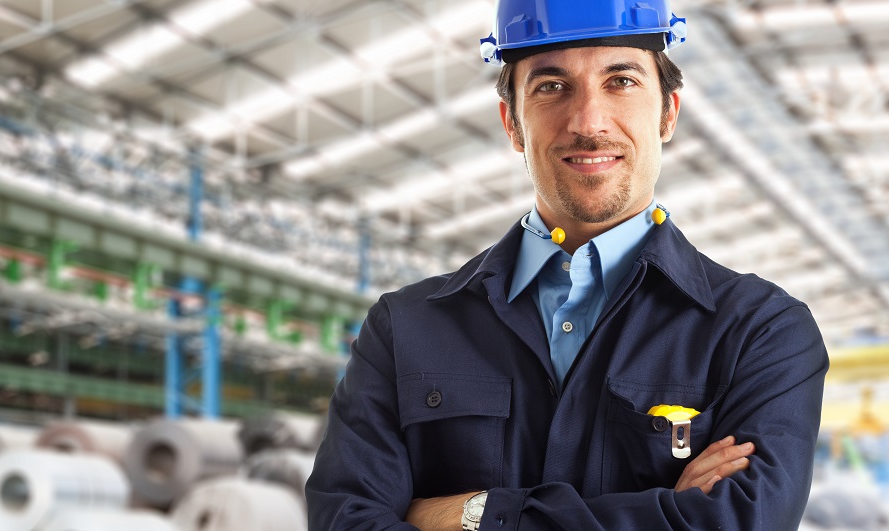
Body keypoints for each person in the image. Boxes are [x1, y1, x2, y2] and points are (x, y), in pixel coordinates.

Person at [306, 0, 829, 529]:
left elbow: (742, 522)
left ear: (668, 112)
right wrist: (669, 511)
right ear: (513, 122)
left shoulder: (760, 332)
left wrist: (471, 515)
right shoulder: (405, 328)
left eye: (621, 81)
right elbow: (343, 520)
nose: (589, 122)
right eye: (551, 87)